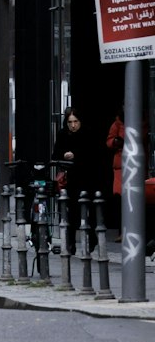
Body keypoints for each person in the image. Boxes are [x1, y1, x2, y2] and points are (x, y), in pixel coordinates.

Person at [54, 108, 109, 258]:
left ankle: (91, 239)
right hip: (70, 179)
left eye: (75, 121)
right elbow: (55, 153)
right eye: (70, 122)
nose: (73, 125)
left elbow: (96, 154)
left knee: (89, 209)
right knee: (71, 211)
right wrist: (64, 155)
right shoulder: (62, 134)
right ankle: (70, 244)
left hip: (88, 178)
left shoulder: (88, 134)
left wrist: (76, 155)